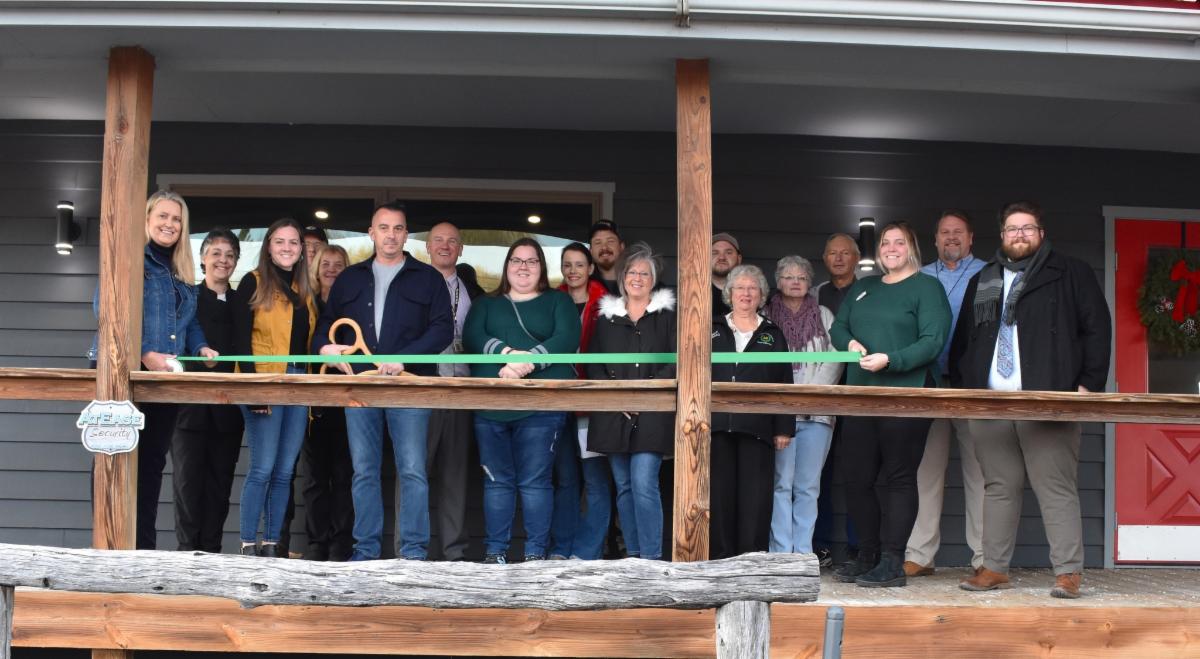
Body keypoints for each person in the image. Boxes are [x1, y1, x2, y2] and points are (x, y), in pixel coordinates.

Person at [954, 201, 1110, 599]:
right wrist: (967, 387)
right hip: (990, 402)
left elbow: (1096, 328)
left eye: (1027, 228)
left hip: (1048, 398)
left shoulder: (1070, 272)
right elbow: (965, 339)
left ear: (1041, 233)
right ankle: (993, 568)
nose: (1019, 234)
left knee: (1055, 486)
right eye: (1012, 228)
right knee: (998, 486)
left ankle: (1068, 572)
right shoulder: (983, 279)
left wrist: (1088, 384)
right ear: (1002, 235)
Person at [313, 201, 453, 561]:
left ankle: (413, 555)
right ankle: (366, 552)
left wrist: (404, 359)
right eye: (384, 228)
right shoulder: (350, 278)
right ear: (371, 233)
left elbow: (443, 329)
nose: (391, 235)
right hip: (361, 388)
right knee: (363, 472)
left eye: (398, 228)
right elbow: (325, 326)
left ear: (406, 235)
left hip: (409, 387)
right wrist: (327, 349)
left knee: (413, 471)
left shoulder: (428, 278)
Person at [88, 190, 219, 550]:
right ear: (146, 219)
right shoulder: (131, 257)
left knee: (149, 464)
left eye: (176, 219)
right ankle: (107, 548)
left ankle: (141, 550)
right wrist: (144, 352)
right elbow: (106, 308)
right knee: (112, 459)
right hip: (120, 371)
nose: (169, 224)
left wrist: (200, 347)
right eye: (162, 216)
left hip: (162, 377)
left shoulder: (181, 271)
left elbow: (189, 322)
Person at [829, 222, 951, 587]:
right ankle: (867, 555)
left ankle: (893, 561)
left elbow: (933, 341)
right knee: (857, 477)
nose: (891, 248)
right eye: (885, 242)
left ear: (912, 248)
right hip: (861, 393)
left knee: (898, 476)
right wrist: (849, 344)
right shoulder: (863, 287)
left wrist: (891, 360)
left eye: (899, 242)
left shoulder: (927, 288)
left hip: (907, 393)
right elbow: (838, 328)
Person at [463, 238, 581, 563]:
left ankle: (534, 555)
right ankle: (495, 553)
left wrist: (525, 363)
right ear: (507, 266)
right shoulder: (486, 304)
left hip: (541, 406)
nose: (523, 267)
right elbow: (473, 337)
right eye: (517, 260)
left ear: (541, 267)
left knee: (535, 482)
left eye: (531, 261)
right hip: (492, 405)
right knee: (497, 482)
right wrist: (507, 354)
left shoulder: (558, 302)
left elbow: (566, 338)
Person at [904, 211, 988, 577]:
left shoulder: (989, 274)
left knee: (980, 473)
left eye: (958, 232)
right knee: (926, 471)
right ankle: (920, 555)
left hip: (973, 385)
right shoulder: (919, 277)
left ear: (970, 238)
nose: (951, 237)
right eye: (944, 232)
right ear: (935, 239)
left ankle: (985, 558)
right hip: (930, 382)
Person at [230, 218, 317, 557]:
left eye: (293, 242)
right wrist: (254, 389)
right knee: (263, 468)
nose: (287, 247)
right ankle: (247, 544)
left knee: (284, 472)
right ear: (268, 246)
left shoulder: (304, 289)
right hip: (265, 380)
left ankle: (270, 544)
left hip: (299, 382)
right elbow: (240, 340)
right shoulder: (252, 282)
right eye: (280, 241)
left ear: (301, 249)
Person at [586, 242, 677, 561]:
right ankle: (634, 555)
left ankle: (651, 558)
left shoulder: (667, 316)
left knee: (643, 481)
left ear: (653, 280)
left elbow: (676, 360)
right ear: (623, 277)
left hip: (653, 410)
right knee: (623, 485)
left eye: (644, 273)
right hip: (614, 411)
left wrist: (646, 393)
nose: (637, 278)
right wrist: (616, 395)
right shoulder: (606, 317)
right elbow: (594, 363)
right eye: (632, 272)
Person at [709, 264, 793, 560]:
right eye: (740, 288)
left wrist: (784, 427)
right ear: (729, 293)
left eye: (752, 288)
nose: (746, 293)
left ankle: (752, 561)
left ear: (761, 295)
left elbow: (784, 381)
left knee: (755, 498)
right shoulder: (712, 328)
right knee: (719, 496)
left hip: (758, 427)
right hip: (716, 426)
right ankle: (721, 560)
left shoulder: (772, 333)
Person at [170, 228, 243, 554]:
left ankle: (211, 555)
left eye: (229, 255)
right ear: (202, 258)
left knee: (219, 487)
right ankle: (187, 555)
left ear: (236, 261)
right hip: (188, 410)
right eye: (216, 253)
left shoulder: (242, 303)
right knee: (187, 486)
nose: (222, 260)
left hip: (228, 410)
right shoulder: (188, 298)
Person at [765, 255, 843, 555]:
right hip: (779, 413)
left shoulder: (824, 315)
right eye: (788, 277)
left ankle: (803, 552)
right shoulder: (766, 315)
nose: (795, 282)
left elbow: (834, 357)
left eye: (801, 277)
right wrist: (787, 399)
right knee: (780, 484)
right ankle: (781, 552)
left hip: (817, 413)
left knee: (808, 487)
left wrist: (811, 394)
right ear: (778, 281)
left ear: (810, 282)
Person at [415, 221, 480, 562]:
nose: (445, 245)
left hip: (460, 390)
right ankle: (411, 552)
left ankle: (454, 555)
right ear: (427, 246)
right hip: (421, 390)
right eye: (438, 240)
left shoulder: (472, 290)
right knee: (414, 473)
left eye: (452, 241)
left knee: (455, 476)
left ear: (461, 248)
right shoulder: (412, 285)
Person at [549, 242, 612, 560]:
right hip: (560, 400)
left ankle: (587, 552)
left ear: (590, 268)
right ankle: (561, 549)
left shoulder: (607, 303)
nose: (572, 270)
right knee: (565, 479)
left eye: (579, 264)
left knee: (596, 480)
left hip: (592, 401)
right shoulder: (551, 301)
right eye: (567, 264)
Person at [300, 243, 354, 561]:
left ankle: (340, 544)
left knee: (345, 475)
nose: (332, 269)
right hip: (313, 400)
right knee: (315, 478)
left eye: (338, 264)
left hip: (347, 398)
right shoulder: (306, 305)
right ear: (316, 268)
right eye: (326, 264)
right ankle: (316, 543)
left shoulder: (352, 303)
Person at [811, 232, 862, 566]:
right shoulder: (814, 295)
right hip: (823, 391)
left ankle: (859, 544)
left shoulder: (869, 291)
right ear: (824, 258)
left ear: (856, 258)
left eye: (846, 253)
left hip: (858, 388)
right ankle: (821, 545)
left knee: (859, 468)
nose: (839, 258)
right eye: (833, 253)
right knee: (819, 472)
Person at [588, 219, 625, 295]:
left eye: (610, 241)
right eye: (598, 242)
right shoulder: (582, 284)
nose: (604, 247)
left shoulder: (636, 281)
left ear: (621, 247)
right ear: (590, 251)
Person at [711, 233, 742, 317]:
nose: (722, 257)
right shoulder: (694, 292)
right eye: (714, 253)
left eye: (728, 253)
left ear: (739, 259)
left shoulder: (750, 293)